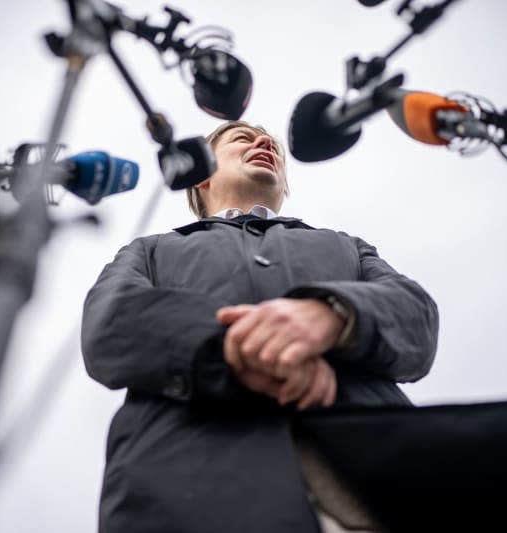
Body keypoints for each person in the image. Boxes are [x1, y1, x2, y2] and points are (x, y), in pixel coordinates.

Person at [81, 120, 439, 533]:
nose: (265, 142)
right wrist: (231, 348)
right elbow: (110, 321)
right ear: (199, 175)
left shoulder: (347, 246)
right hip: (187, 493)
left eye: (270, 143)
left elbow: (418, 316)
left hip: (376, 485)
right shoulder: (152, 250)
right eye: (242, 139)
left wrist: (334, 313)